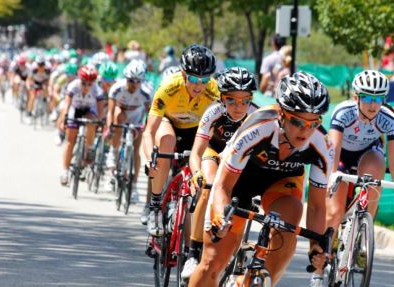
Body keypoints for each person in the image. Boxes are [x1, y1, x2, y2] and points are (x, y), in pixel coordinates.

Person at [189, 71, 333, 287]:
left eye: (314, 123)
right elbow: (222, 185)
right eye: (298, 122)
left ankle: (251, 283)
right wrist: (220, 215)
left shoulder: (322, 144)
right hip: (239, 180)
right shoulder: (257, 128)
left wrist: (315, 245)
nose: (306, 131)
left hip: (282, 184)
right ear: (282, 114)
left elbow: (316, 206)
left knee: (291, 216)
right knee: (211, 262)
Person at [181, 67, 259, 279]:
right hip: (213, 152)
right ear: (222, 97)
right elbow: (196, 152)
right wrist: (197, 173)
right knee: (208, 186)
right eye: (232, 100)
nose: (239, 106)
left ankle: (232, 258)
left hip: (238, 162)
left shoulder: (256, 116)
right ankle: (193, 254)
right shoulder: (213, 112)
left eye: (245, 100)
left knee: (242, 203)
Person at [326, 71, 394, 274]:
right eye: (368, 98)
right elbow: (334, 151)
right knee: (335, 211)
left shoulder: (389, 118)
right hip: (342, 155)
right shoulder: (344, 112)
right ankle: (330, 240)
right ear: (356, 97)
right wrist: (331, 176)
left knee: (376, 170)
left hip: (368, 153)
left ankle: (363, 238)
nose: (373, 104)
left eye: (378, 99)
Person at [143, 44, 220, 237]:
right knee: (167, 140)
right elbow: (148, 132)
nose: (198, 85)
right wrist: (147, 158)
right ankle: (154, 206)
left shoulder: (215, 92)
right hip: (168, 122)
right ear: (184, 74)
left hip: (194, 128)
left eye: (204, 80)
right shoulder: (169, 87)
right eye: (193, 78)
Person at [106, 59, 153, 204]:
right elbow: (110, 111)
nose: (134, 84)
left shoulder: (146, 92)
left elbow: (150, 115)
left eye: (138, 81)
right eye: (131, 80)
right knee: (118, 118)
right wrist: (109, 128)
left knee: (136, 150)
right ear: (126, 78)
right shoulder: (117, 88)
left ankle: (133, 187)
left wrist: (147, 131)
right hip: (122, 111)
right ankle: (113, 155)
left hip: (136, 116)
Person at [59, 65, 102, 185]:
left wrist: (99, 122)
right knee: (70, 141)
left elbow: (100, 110)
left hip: (89, 111)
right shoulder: (73, 86)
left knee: (91, 122)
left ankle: (88, 149)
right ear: (79, 80)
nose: (86, 87)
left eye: (90, 84)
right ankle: (65, 171)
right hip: (75, 109)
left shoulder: (97, 90)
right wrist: (64, 119)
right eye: (84, 83)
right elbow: (67, 105)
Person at [24, 55, 51, 124]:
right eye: (39, 64)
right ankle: (29, 114)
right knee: (32, 97)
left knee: (46, 89)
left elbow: (49, 81)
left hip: (44, 81)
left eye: (42, 64)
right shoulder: (33, 68)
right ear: (37, 64)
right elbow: (28, 80)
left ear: (44, 64)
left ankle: (45, 102)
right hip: (35, 81)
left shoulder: (48, 68)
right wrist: (29, 87)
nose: (41, 66)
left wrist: (48, 89)